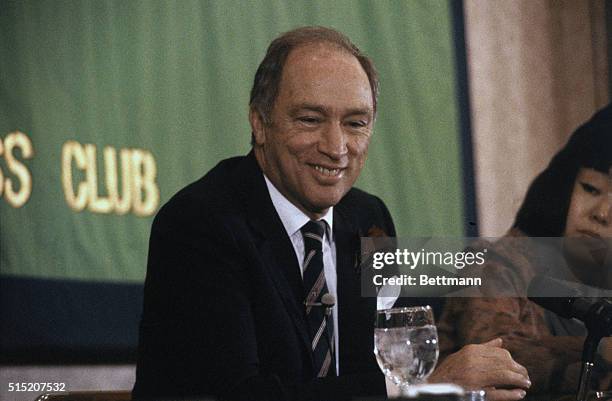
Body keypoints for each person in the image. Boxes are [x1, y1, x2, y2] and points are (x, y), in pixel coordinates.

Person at [132, 26, 531, 401]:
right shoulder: (201, 223)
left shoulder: (368, 218)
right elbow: (238, 394)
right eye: (310, 119)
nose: (336, 147)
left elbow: (388, 362)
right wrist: (424, 388)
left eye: (355, 123)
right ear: (260, 122)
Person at [438, 104, 612, 395]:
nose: (602, 213)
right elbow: (497, 357)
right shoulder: (493, 263)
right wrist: (603, 350)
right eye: (590, 189)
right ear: (562, 188)